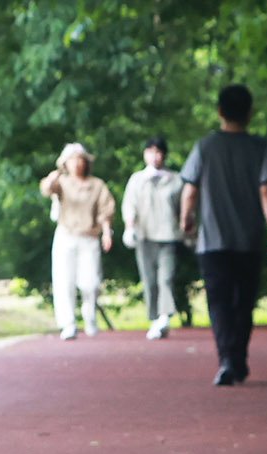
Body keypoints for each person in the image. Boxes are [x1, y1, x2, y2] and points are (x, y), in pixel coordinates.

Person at [179, 84, 267, 386]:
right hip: (248, 239)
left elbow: (190, 189)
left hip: (212, 241)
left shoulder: (204, 147)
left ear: (220, 111)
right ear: (251, 113)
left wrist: (186, 217)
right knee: (244, 301)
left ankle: (227, 359)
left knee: (220, 302)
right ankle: (238, 358)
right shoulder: (260, 148)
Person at [40, 142, 116, 339]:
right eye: (73, 160)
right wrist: (54, 176)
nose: (77, 163)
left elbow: (105, 211)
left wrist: (107, 233)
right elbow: (47, 189)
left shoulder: (97, 185)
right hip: (66, 235)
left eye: (80, 159)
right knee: (64, 280)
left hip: (89, 237)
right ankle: (68, 323)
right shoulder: (62, 183)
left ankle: (89, 315)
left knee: (90, 281)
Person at [121, 136, 186, 340]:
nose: (155, 156)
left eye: (159, 152)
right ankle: (155, 318)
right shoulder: (137, 180)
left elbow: (184, 208)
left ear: (164, 155)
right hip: (144, 236)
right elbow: (130, 205)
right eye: (151, 151)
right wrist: (129, 227)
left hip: (168, 235)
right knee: (149, 280)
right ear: (145, 154)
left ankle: (164, 316)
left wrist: (187, 228)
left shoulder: (175, 180)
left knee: (165, 278)